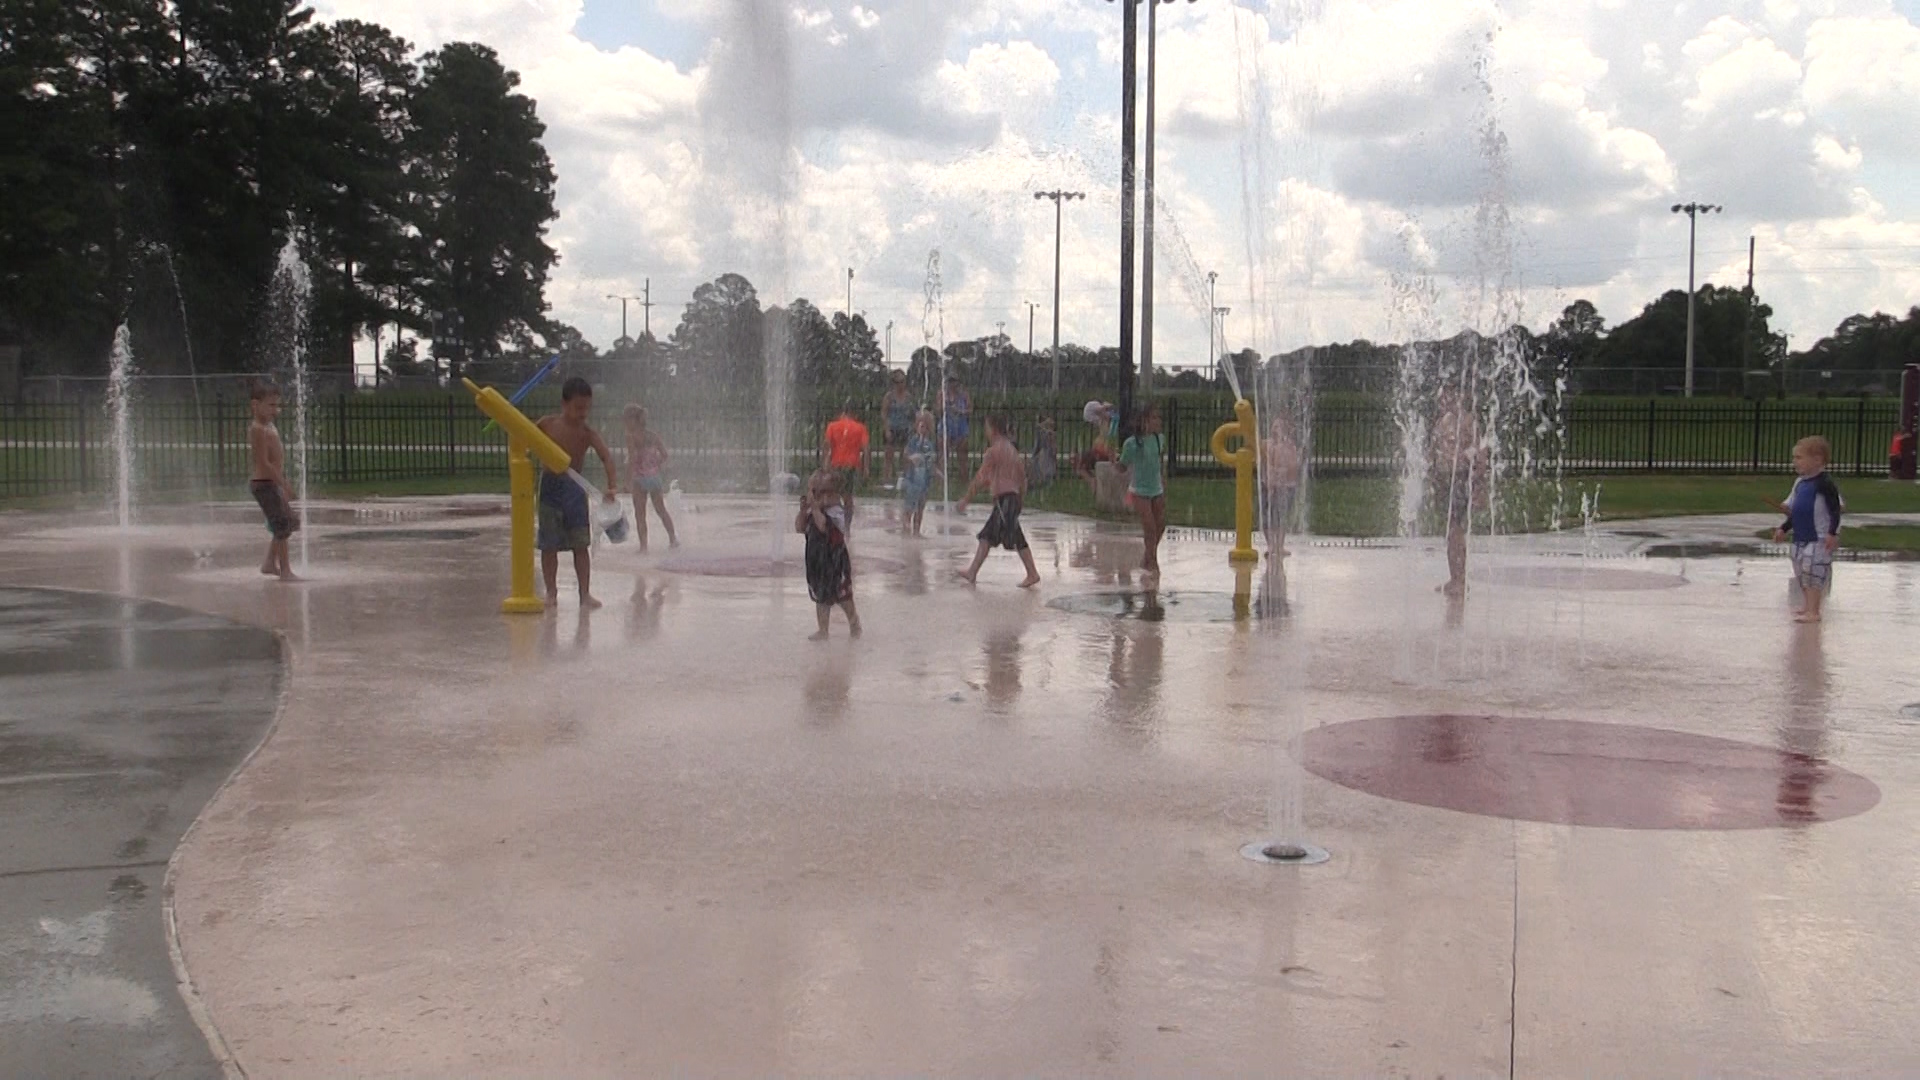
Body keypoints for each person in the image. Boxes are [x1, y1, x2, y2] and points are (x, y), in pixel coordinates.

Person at [535, 376, 620, 611]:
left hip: (575, 490)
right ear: (564, 404)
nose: (583, 413)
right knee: (548, 544)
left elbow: (607, 457)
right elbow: (525, 436)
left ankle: (585, 594)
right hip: (550, 487)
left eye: (587, 408)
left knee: (580, 544)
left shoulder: (587, 433)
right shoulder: (548, 424)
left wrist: (611, 485)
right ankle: (551, 592)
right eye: (578, 408)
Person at [957, 414, 1042, 588]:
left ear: (993, 429)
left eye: (987, 427)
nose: (985, 431)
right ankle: (1031, 573)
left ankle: (973, 572)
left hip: (1004, 500)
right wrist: (1020, 500)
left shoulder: (993, 451)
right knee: (1008, 536)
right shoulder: (1011, 450)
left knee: (989, 536)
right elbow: (1021, 478)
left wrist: (966, 499)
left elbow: (980, 477)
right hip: (1012, 499)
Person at [1773, 435, 1843, 624]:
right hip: (1800, 536)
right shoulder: (1799, 483)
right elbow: (1795, 512)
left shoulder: (1825, 484)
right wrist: (1784, 528)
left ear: (1817, 459)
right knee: (1800, 571)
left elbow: (1835, 509)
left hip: (1819, 538)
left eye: (1799, 457)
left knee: (1813, 573)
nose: (1794, 462)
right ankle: (1808, 606)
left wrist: (1832, 533)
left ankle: (1814, 611)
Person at [1429, 384, 1486, 598]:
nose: (1443, 398)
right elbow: (1435, 452)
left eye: (1448, 394)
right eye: (1443, 394)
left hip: (1460, 480)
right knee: (1451, 532)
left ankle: (1460, 580)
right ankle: (1455, 577)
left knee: (1456, 532)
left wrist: (1478, 481)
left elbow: (1479, 452)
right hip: (1446, 481)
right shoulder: (1444, 421)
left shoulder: (1467, 421)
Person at [797, 469, 861, 640]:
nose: (817, 497)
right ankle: (823, 629)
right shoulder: (813, 511)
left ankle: (854, 622)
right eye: (813, 492)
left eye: (821, 492)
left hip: (835, 559)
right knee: (821, 595)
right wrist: (804, 511)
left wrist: (816, 508)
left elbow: (823, 526)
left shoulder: (836, 512)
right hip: (817, 560)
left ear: (833, 494)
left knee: (842, 595)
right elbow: (799, 527)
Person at [247, 381, 299, 581]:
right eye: (270, 405)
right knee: (282, 525)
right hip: (264, 484)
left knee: (289, 522)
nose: (275, 410)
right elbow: (264, 463)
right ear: (255, 405)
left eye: (277, 405)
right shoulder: (257, 428)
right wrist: (283, 484)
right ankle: (285, 570)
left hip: (271, 483)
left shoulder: (268, 425)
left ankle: (269, 563)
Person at [1118, 404, 1168, 575]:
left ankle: (1147, 556)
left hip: (1156, 488)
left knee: (1160, 524)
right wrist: (1113, 462)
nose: (1158, 421)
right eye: (1154, 418)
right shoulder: (1132, 444)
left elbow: (1158, 461)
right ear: (1144, 421)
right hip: (1139, 490)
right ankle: (1152, 561)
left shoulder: (1159, 439)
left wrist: (1162, 479)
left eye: (1158, 418)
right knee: (1150, 526)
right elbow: (1123, 467)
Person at [623, 404, 677, 552]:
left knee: (640, 515)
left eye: (626, 420)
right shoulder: (652, 435)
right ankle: (673, 539)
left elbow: (632, 458)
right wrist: (654, 465)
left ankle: (643, 547)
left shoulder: (631, 437)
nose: (625, 423)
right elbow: (665, 455)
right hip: (654, 478)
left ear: (633, 420)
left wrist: (627, 480)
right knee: (661, 510)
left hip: (639, 479)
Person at [1261, 414, 1302, 559]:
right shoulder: (1267, 444)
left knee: (1280, 516)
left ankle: (1279, 545)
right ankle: (1271, 545)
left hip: (1285, 487)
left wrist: (1280, 472)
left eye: (1278, 426)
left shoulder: (1289, 446)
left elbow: (1292, 466)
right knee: (1267, 516)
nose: (1275, 429)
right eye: (1274, 425)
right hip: (1269, 485)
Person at [823, 402, 870, 525]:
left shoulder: (832, 426)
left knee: (833, 495)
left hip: (835, 464)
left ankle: (834, 522)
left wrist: (825, 465)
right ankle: (847, 527)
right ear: (854, 414)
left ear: (842, 413)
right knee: (848, 497)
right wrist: (865, 468)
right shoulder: (860, 428)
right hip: (851, 466)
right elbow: (865, 449)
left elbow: (828, 447)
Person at [899, 409, 939, 538]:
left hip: (925, 481)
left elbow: (931, 463)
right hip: (912, 480)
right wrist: (911, 458)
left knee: (921, 507)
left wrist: (937, 473)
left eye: (926, 427)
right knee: (909, 506)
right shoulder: (914, 441)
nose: (924, 430)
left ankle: (916, 530)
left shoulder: (930, 444)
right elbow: (905, 454)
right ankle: (906, 527)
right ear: (916, 427)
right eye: (921, 426)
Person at [880, 370, 916, 487]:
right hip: (892, 427)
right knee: (889, 455)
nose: (900, 384)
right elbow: (884, 413)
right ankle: (887, 479)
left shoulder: (908, 396)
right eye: (897, 382)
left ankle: (905, 479)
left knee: (905, 455)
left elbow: (912, 414)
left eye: (902, 381)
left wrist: (913, 427)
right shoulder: (889, 396)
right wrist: (886, 429)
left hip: (905, 428)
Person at [940, 376, 972, 478]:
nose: (953, 384)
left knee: (962, 456)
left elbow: (970, 410)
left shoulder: (964, 395)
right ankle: (941, 479)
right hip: (947, 426)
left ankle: (964, 479)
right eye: (950, 381)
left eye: (955, 381)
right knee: (943, 456)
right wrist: (944, 407)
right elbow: (937, 409)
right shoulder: (942, 394)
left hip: (961, 426)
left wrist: (960, 411)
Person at [1031, 416, 1057, 489]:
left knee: (1047, 467)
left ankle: (1045, 483)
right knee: (1045, 466)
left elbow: (1053, 447)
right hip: (1045, 454)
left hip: (1047, 454)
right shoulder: (1045, 433)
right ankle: (1043, 482)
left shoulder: (1049, 434)